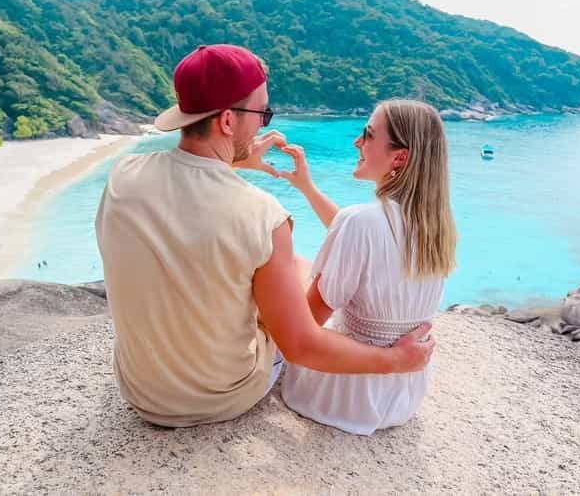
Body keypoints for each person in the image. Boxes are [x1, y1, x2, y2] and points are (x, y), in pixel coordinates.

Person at [95, 44, 435, 428]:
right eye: (262, 112)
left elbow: (193, 202)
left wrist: (232, 161)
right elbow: (301, 346)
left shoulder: (122, 176)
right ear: (226, 121)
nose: (263, 124)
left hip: (141, 392)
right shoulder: (264, 216)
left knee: (273, 268)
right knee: (300, 270)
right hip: (222, 397)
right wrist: (397, 360)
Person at [278, 99, 458, 435]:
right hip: (402, 394)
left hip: (346, 391)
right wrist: (306, 188)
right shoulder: (437, 226)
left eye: (368, 134)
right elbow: (365, 243)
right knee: (303, 267)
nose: (357, 142)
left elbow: (305, 327)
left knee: (291, 265)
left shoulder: (361, 223)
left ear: (399, 157)